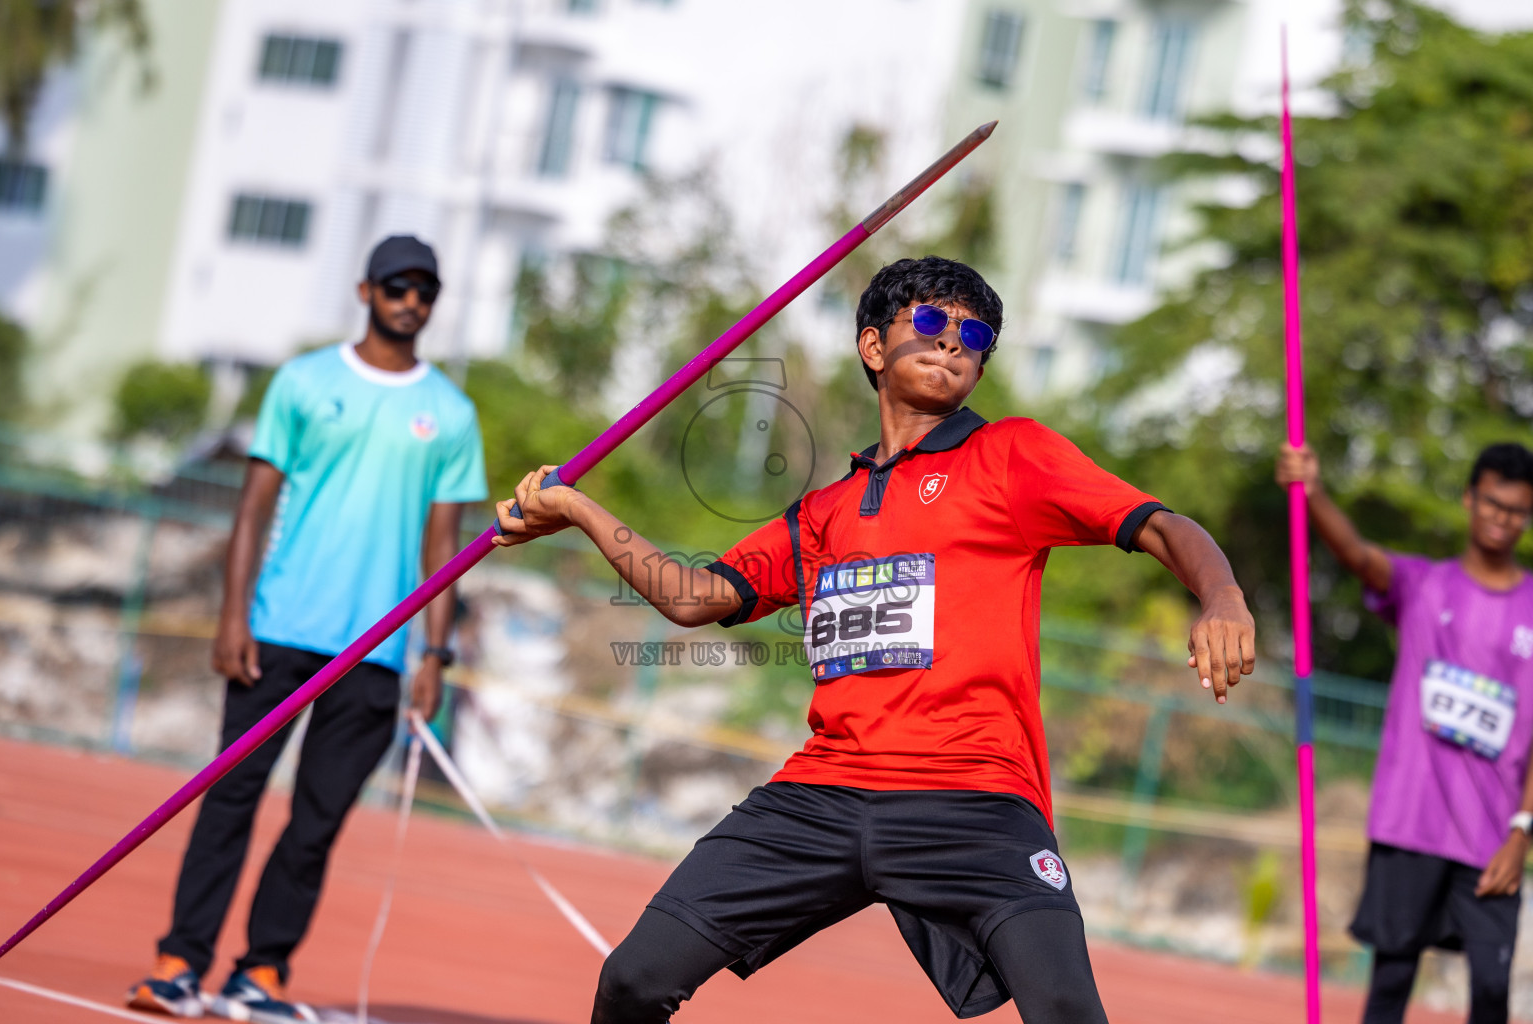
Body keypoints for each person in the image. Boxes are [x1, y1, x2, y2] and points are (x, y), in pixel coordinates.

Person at [495, 256, 1257, 1023]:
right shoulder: (825, 511)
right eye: (929, 321)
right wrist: (582, 512)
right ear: (872, 347)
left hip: (973, 798)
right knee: (632, 979)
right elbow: (694, 599)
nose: (953, 342)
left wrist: (1221, 596)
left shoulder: (1011, 456)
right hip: (821, 796)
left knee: (1067, 1011)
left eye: (974, 334)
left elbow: (1163, 524)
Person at [127, 235, 488, 1021]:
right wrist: (232, 616)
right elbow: (253, 506)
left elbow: (443, 544)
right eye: (397, 285)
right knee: (230, 800)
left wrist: (433, 653)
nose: (411, 300)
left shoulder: (451, 414)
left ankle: (262, 975)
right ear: (365, 291)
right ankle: (180, 962)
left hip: (380, 651)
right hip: (279, 630)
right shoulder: (303, 381)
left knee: (316, 822)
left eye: (425, 289)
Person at [1277, 440, 1533, 1024]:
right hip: (1411, 824)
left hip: (1491, 841)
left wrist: (1523, 832)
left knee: (1492, 990)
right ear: (1470, 500)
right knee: (1390, 983)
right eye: (1492, 503)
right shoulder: (1424, 586)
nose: (1502, 518)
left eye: (1516, 510)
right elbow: (1356, 552)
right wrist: (1311, 489)